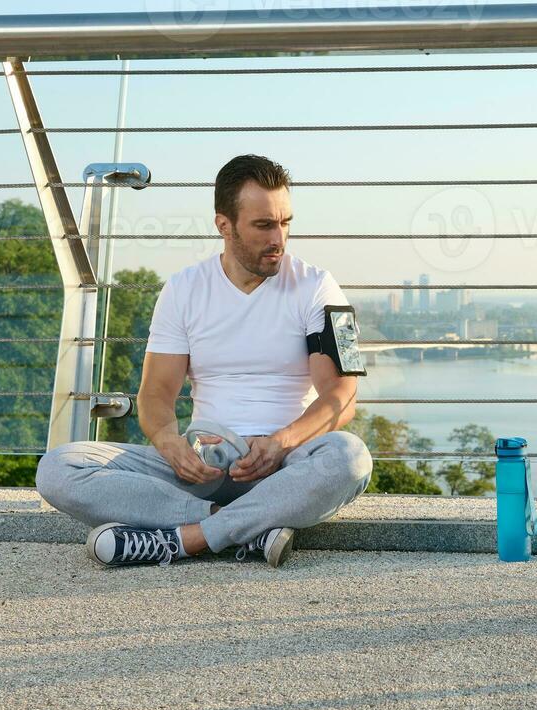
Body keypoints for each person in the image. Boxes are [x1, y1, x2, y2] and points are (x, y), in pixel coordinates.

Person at [36, 154, 373, 568]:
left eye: (286, 223)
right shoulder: (182, 290)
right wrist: (169, 444)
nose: (279, 239)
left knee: (349, 457)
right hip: (204, 468)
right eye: (264, 225)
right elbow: (156, 394)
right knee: (57, 468)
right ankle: (248, 530)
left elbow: (342, 396)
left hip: (288, 464)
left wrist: (279, 443)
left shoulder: (319, 286)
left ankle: (186, 539)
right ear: (224, 225)